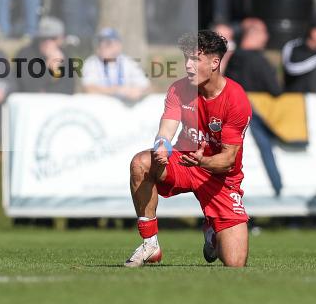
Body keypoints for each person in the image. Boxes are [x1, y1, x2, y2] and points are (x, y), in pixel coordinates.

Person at [126, 30, 250, 268]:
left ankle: (212, 231)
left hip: (220, 178)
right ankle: (150, 244)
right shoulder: (178, 89)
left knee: (235, 264)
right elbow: (166, 131)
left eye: (195, 59)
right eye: (186, 59)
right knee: (141, 163)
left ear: (215, 63)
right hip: (184, 162)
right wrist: (162, 146)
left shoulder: (236, 99)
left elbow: (227, 160)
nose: (188, 66)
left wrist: (203, 162)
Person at [225, 17, 283, 197]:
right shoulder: (259, 60)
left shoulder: (234, 58)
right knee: (265, 149)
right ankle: (277, 188)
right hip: (257, 116)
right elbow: (275, 89)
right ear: (253, 34)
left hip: (232, 115)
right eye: (264, 32)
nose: (266, 37)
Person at [81, 28, 150, 102]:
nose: (102, 46)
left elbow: (147, 87)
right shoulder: (92, 63)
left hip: (124, 106)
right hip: (99, 105)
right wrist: (117, 90)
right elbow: (89, 89)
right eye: (99, 43)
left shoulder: (128, 63)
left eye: (108, 44)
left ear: (118, 46)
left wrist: (136, 91)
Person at [13, 16, 76, 95]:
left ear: (61, 39)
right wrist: (49, 70)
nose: (47, 42)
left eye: (53, 38)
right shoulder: (25, 55)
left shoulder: (65, 55)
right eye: (43, 38)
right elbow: (29, 87)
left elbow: (69, 89)